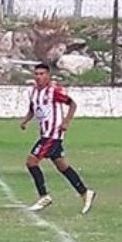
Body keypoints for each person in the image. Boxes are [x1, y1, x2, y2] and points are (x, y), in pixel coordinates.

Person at [20, 63, 96, 214]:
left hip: (52, 134)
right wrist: (25, 120)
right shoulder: (34, 92)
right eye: (36, 74)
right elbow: (33, 108)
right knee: (62, 166)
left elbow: (72, 104)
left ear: (48, 76)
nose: (39, 77)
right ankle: (85, 192)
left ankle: (44, 196)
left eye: (42, 74)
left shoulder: (53, 91)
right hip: (45, 133)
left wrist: (66, 122)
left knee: (31, 162)